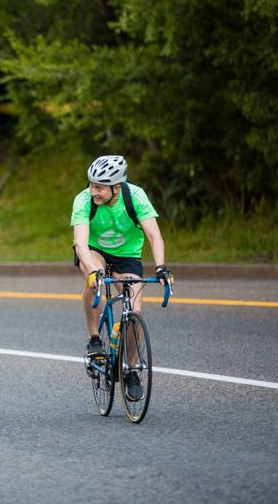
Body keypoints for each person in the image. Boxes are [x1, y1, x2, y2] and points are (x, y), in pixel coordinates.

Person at [70, 155, 169, 400]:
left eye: (99, 187)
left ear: (116, 187)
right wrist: (92, 270)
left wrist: (160, 267)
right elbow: (80, 244)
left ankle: (131, 370)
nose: (93, 191)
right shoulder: (84, 200)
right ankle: (94, 338)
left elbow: (154, 236)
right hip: (94, 251)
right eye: (91, 184)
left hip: (127, 256)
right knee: (95, 280)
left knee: (135, 312)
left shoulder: (135, 197)